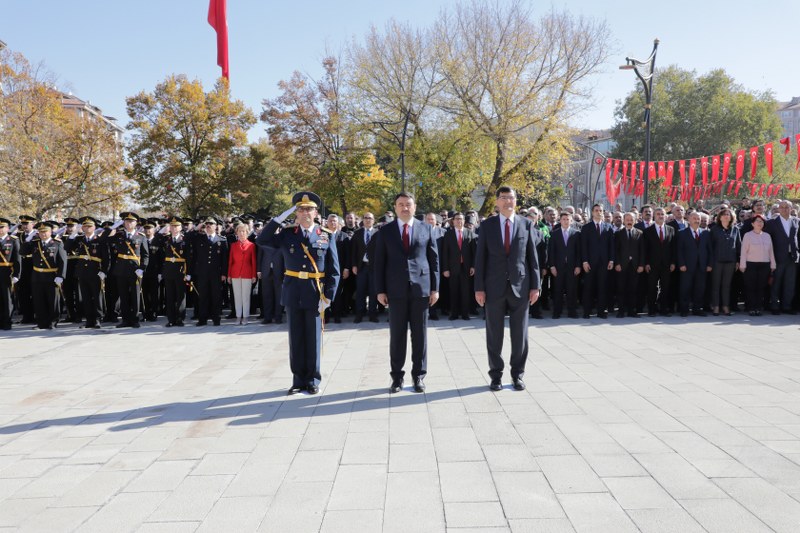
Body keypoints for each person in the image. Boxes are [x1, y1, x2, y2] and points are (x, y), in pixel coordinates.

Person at [257, 192, 340, 395]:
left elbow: (334, 270)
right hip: (293, 290)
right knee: (296, 338)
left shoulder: (326, 235)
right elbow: (262, 240)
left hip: (315, 291)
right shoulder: (286, 234)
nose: (305, 213)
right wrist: (278, 219)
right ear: (296, 213)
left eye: (309, 209)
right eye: (300, 209)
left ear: (315, 212)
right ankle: (298, 379)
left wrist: (328, 296)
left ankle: (312, 379)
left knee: (313, 338)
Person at [474, 186, 541, 392]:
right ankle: (496, 375)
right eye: (503, 198)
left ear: (516, 201)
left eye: (511, 197)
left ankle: (517, 375)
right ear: (497, 202)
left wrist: (536, 286)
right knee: (494, 334)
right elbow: (480, 259)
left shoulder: (526, 225)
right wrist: (479, 288)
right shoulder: (487, 226)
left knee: (520, 334)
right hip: (493, 288)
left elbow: (533, 258)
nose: (507, 201)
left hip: (521, 287)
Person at [374, 192, 439, 394]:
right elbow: (379, 264)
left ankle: (418, 376)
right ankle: (396, 377)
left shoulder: (427, 229)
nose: (404, 208)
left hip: (421, 289)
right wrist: (380, 290)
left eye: (408, 204)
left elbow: (434, 261)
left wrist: (435, 288)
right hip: (395, 290)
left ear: (414, 206)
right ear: (395, 207)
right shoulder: (385, 232)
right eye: (400, 204)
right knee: (397, 336)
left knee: (420, 336)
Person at [108, 212, 149, 328]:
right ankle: (125, 320)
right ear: (123, 222)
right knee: (123, 295)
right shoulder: (119, 235)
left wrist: (142, 268)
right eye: (126, 221)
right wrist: (113, 227)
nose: (129, 223)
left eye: (131, 221)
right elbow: (104, 240)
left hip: (135, 270)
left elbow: (146, 255)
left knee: (135, 296)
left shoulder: (141, 237)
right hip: (121, 269)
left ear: (136, 223)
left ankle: (135, 319)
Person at [188, 217, 228, 326]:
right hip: (202, 273)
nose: (209, 225)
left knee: (216, 296)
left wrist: (224, 273)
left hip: (216, 273)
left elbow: (224, 259)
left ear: (216, 226)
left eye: (211, 224)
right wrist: (198, 227)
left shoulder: (222, 240)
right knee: (203, 296)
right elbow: (188, 238)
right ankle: (202, 319)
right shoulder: (199, 238)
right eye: (207, 224)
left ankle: (216, 318)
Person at [70, 217, 108, 329]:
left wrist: (104, 271)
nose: (87, 228)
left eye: (90, 226)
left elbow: (106, 257)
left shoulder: (99, 240)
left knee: (97, 296)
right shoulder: (79, 239)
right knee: (85, 297)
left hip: (95, 271)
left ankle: (97, 319)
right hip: (82, 272)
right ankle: (89, 320)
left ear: (94, 227)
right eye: (85, 226)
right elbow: (67, 247)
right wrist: (74, 233)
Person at [28, 221, 67, 330]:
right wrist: (28, 239)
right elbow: (22, 251)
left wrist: (61, 275)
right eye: (40, 232)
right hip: (37, 276)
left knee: (52, 300)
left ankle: (53, 322)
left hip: (52, 275)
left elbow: (62, 261)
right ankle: (41, 323)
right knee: (39, 300)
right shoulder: (35, 243)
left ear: (50, 232)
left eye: (45, 232)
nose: (43, 234)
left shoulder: (57, 243)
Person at [580, 204, 615, 318]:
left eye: (600, 210)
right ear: (592, 212)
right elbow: (583, 246)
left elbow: (611, 245)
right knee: (588, 287)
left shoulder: (608, 227)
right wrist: (584, 261)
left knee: (602, 287)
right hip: (590, 262)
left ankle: (601, 311)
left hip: (604, 263)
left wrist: (611, 260)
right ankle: (587, 311)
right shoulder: (586, 228)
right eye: (596, 210)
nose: (599, 212)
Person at [765, 200, 798, 314]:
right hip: (777, 257)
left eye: (787, 207)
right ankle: (774, 306)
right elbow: (767, 241)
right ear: (778, 209)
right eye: (782, 207)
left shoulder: (796, 221)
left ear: (791, 208)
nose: (784, 209)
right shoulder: (771, 222)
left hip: (792, 257)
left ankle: (787, 306)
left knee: (790, 283)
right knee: (776, 283)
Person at [441, 212, 476, 321]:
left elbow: (474, 252)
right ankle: (454, 314)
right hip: (453, 268)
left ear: (464, 221)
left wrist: (473, 266)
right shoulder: (448, 234)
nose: (459, 221)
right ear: (453, 221)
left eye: (461, 219)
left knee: (466, 292)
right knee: (453, 291)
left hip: (466, 267)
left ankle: (465, 314)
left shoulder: (469, 233)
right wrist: (445, 268)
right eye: (457, 219)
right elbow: (445, 253)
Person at [677, 212, 712, 317]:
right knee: (685, 288)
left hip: (701, 266)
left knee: (700, 288)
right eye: (694, 218)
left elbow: (709, 250)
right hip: (687, 266)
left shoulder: (705, 233)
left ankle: (697, 309)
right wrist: (681, 264)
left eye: (698, 218)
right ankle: (684, 309)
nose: (697, 220)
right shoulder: (682, 233)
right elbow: (679, 250)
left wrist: (709, 264)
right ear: (689, 219)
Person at [740, 214, 776, 316]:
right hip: (750, 264)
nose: (759, 223)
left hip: (765, 265)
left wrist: (773, 265)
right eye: (757, 221)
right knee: (751, 287)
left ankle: (758, 308)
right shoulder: (747, 235)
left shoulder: (767, 236)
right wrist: (743, 264)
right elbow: (744, 251)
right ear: (752, 224)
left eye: (761, 221)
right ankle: (751, 307)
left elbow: (771, 251)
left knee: (761, 287)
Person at [547, 212, 581, 319]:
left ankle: (572, 311)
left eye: (568, 219)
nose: (566, 221)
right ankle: (557, 311)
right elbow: (551, 251)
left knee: (572, 289)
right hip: (558, 267)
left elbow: (579, 251)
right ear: (560, 220)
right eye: (564, 219)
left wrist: (578, 266)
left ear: (571, 221)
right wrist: (552, 266)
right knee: (558, 289)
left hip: (572, 267)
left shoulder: (576, 233)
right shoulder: (554, 233)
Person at [643, 207, 676, 316]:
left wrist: (673, 262)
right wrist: (646, 263)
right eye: (658, 214)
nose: (660, 216)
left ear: (665, 216)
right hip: (652, 264)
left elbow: (673, 248)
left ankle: (663, 309)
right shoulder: (648, 231)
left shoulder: (671, 229)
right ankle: (652, 310)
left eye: (662, 214)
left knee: (665, 287)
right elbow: (645, 249)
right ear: (654, 216)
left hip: (667, 264)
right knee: (652, 287)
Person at [709, 207, 741, 316]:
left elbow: (738, 246)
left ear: (732, 217)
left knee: (726, 285)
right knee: (716, 285)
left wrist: (738, 261)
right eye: (724, 214)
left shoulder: (735, 229)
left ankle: (726, 306)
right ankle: (716, 307)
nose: (726, 216)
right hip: (717, 261)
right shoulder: (714, 229)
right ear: (720, 217)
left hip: (731, 261)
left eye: (729, 214)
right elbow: (710, 247)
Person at [614, 213, 644, 318]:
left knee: (633, 289)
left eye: (631, 219)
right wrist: (617, 263)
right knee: (621, 289)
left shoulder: (640, 233)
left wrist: (641, 265)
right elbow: (616, 251)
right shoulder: (618, 234)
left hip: (635, 266)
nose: (629, 221)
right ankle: (621, 311)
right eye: (627, 219)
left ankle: (632, 311)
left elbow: (642, 251)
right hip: (622, 266)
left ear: (635, 221)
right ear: (624, 221)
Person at [161, 216, 189, 327]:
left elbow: (189, 258)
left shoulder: (184, 240)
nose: (174, 228)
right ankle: (171, 319)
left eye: (176, 226)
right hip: (168, 271)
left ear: (181, 227)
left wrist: (188, 273)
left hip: (180, 271)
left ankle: (180, 318)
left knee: (180, 296)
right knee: (170, 296)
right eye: (172, 226)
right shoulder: (165, 239)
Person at [351, 212, 379, 323]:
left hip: (374, 267)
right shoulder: (357, 233)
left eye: (370, 218)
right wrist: (353, 265)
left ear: (373, 220)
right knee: (360, 291)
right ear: (363, 220)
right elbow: (353, 251)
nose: (368, 220)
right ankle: (360, 314)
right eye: (366, 218)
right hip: (361, 267)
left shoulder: (378, 233)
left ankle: (373, 314)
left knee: (373, 291)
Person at [228, 223, 258, 325]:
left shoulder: (251, 245)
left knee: (245, 296)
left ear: (247, 233)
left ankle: (245, 316)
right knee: (237, 296)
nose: (241, 233)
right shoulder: (233, 245)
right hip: (235, 272)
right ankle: (238, 316)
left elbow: (253, 261)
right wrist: (229, 275)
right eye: (239, 231)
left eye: (243, 231)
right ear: (236, 233)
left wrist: (254, 275)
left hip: (247, 273)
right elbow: (230, 261)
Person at [0, 218, 21, 330]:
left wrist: (17, 274)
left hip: (7, 272)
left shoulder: (13, 240)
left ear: (7, 228)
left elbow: (17, 259)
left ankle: (7, 322)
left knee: (7, 298)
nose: (0, 230)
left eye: (2, 227)